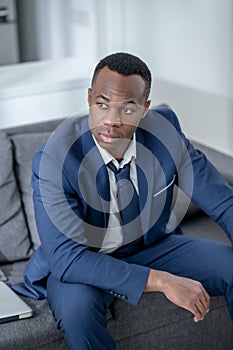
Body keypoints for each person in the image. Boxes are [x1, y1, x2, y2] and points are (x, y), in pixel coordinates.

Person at [18, 52, 233, 349]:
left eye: (127, 110)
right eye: (102, 105)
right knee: (77, 314)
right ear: (90, 98)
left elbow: (223, 202)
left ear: (145, 108)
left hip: (152, 245)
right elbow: (67, 258)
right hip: (86, 260)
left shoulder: (165, 133)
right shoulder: (55, 159)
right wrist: (162, 281)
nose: (111, 121)